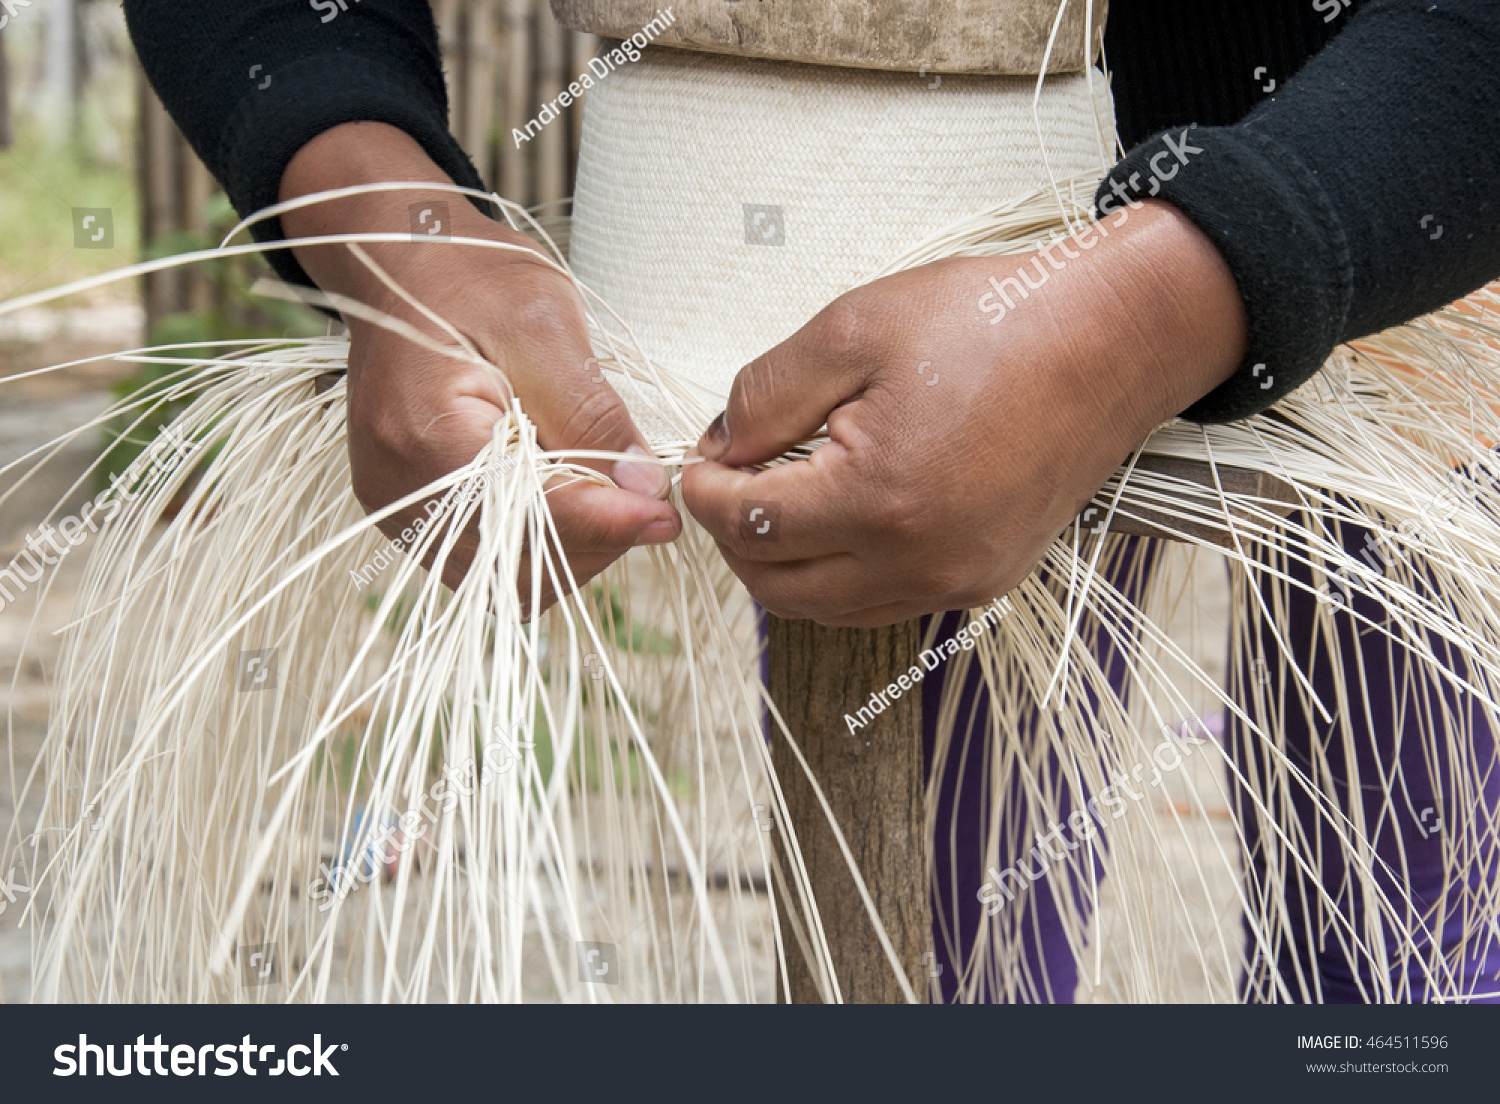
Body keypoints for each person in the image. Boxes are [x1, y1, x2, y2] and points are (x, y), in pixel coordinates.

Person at [124, 0, 1500, 1000]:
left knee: (1403, 954)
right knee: (940, 956)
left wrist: (1174, 292)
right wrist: (367, 195)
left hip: (1430, 201)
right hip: (893, 230)